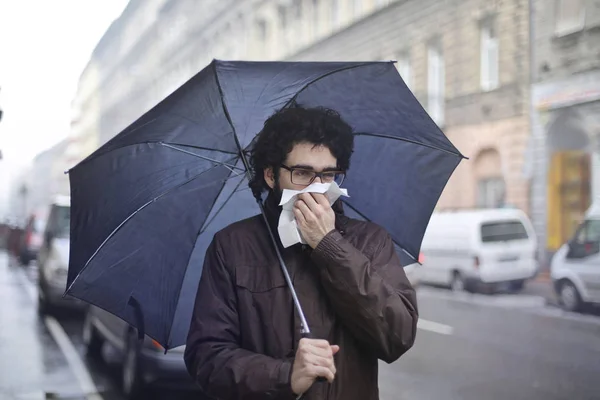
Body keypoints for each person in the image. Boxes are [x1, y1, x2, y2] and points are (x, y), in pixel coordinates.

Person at [184, 105, 418, 399]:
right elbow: (206, 357)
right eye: (302, 173)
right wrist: (285, 375)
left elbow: (398, 336)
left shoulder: (370, 240)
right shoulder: (232, 246)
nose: (317, 188)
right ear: (271, 175)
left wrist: (330, 246)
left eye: (328, 174)